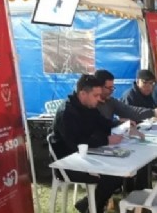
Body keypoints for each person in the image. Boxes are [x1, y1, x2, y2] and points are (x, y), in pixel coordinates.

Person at [49, 74, 125, 213]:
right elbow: (76, 144)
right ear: (83, 93)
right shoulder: (66, 112)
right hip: (68, 162)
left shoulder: (89, 106)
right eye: (95, 95)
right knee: (113, 175)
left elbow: (102, 123)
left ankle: (88, 205)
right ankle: (92, 208)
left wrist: (121, 123)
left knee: (120, 172)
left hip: (87, 155)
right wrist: (106, 140)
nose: (99, 99)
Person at [93, 70, 157, 125]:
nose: (111, 91)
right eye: (109, 88)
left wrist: (153, 112)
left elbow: (129, 110)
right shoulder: (88, 104)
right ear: (98, 87)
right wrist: (120, 123)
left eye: (112, 88)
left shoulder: (110, 101)